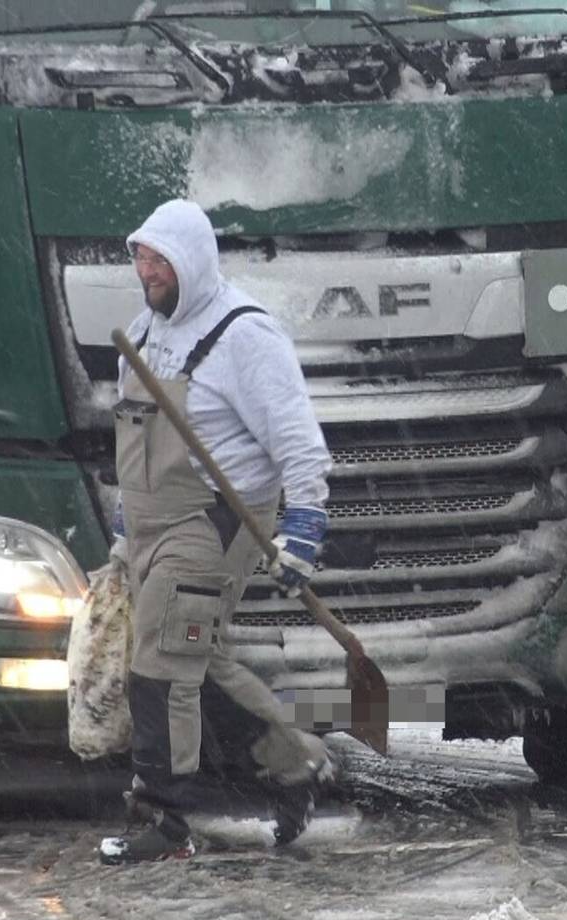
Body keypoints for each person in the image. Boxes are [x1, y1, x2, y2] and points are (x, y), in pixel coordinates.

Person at [99, 199, 335, 864]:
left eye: (158, 260)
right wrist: (124, 531)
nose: (146, 270)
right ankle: (293, 762)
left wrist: (304, 528)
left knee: (162, 664)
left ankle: (163, 819)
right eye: (140, 257)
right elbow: (136, 444)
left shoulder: (244, 336)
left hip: (214, 522)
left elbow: (299, 443)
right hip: (150, 526)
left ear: (190, 261)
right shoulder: (144, 336)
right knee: (202, 664)